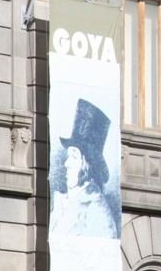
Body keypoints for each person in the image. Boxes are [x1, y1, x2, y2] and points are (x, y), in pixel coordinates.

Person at [50, 99, 118, 239]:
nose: (66, 164)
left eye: (74, 157)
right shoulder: (63, 202)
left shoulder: (98, 212)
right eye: (68, 157)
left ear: (87, 164)